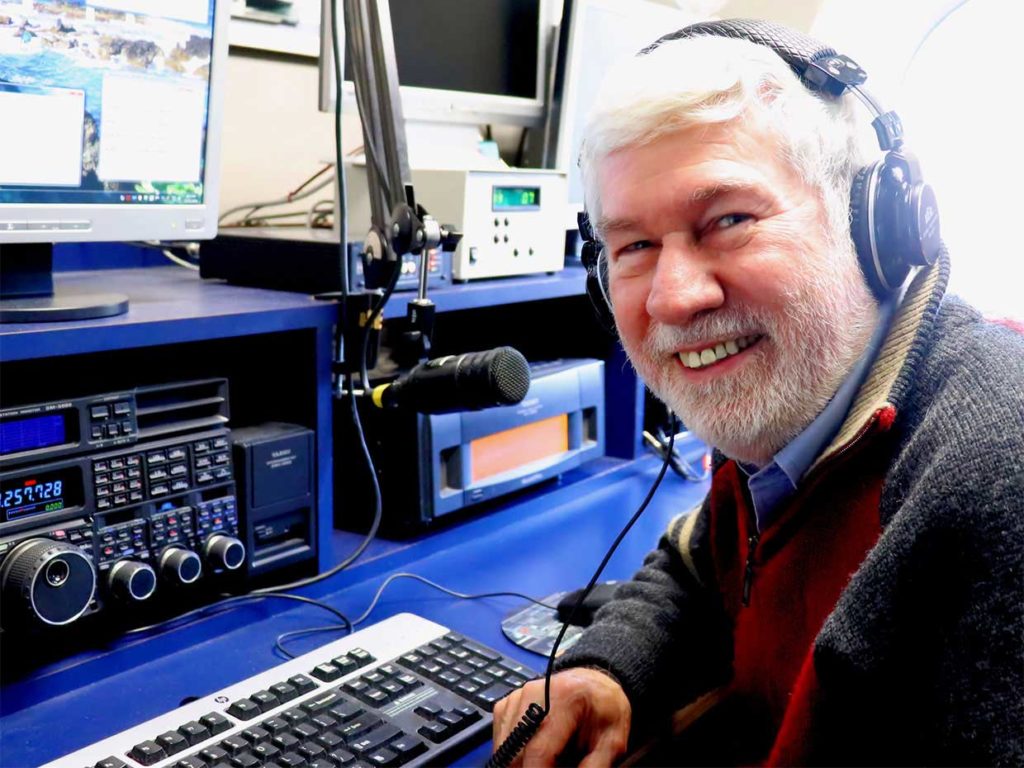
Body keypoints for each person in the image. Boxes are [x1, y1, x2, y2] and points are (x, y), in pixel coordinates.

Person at [492, 19, 1024, 768]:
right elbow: (702, 562)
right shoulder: (790, 422)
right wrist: (609, 667)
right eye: (635, 246)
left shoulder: (991, 474)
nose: (674, 299)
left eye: (729, 220)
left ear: (873, 222)